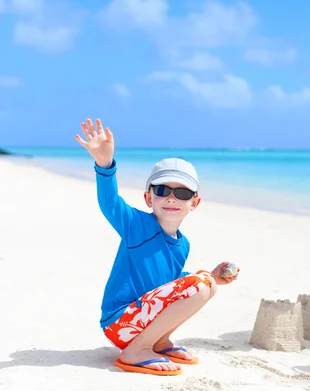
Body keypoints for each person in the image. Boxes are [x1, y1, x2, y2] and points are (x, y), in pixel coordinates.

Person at [75, 118, 239, 376]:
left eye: (182, 193)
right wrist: (104, 163)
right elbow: (110, 203)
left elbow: (169, 286)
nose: (172, 197)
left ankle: (158, 342)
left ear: (194, 203)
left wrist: (213, 277)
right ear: (149, 198)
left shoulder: (182, 244)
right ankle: (136, 351)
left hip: (142, 320)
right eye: (163, 190)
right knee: (202, 283)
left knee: (207, 285)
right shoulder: (135, 224)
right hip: (120, 323)